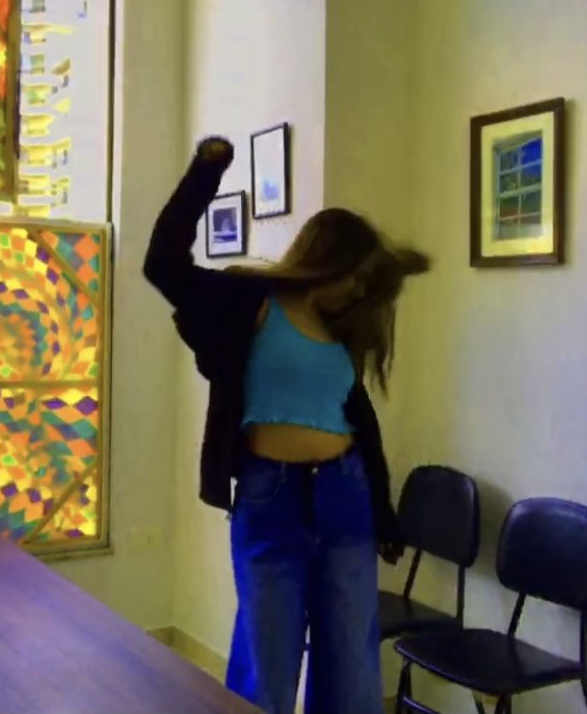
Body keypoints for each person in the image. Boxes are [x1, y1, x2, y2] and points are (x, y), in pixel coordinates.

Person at [143, 136, 430, 714]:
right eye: (354, 274)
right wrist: (208, 170)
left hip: (344, 497)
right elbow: (163, 263)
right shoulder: (248, 300)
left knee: (351, 671)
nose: (358, 290)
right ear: (330, 259)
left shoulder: (342, 325)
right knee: (267, 671)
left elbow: (361, 422)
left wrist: (383, 509)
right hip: (268, 496)